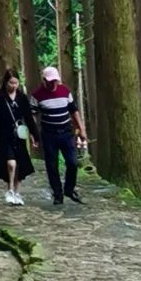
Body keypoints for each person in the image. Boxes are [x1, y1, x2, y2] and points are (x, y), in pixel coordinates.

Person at [31, 64, 88, 205]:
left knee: (72, 162)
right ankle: (58, 194)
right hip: (49, 134)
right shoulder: (37, 95)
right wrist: (34, 134)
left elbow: (74, 111)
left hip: (66, 133)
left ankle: (69, 189)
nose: (52, 84)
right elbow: (32, 115)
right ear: (44, 80)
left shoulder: (65, 91)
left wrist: (82, 129)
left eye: (54, 81)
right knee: (52, 165)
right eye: (49, 81)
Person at [0, 68, 37, 207]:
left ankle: (16, 192)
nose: (13, 86)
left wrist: (35, 135)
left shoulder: (22, 98)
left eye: (16, 83)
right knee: (11, 163)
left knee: (19, 165)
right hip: (5, 135)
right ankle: (9, 189)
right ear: (5, 82)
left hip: (19, 135)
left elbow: (28, 117)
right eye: (11, 83)